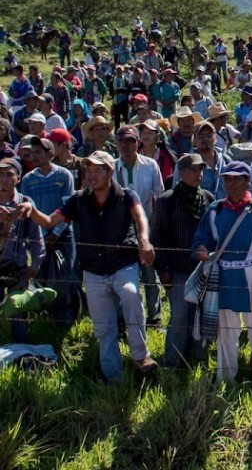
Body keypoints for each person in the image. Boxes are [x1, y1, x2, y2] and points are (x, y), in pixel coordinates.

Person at [20, 151, 158, 381]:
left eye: (97, 170)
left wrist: (144, 239)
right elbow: (49, 222)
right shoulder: (78, 199)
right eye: (88, 171)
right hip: (93, 269)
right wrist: (32, 211)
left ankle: (140, 355)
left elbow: (140, 216)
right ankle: (114, 379)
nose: (91, 176)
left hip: (122, 264)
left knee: (131, 295)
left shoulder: (126, 195)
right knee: (104, 328)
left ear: (109, 172)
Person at [192, 161, 252, 389]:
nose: (230, 183)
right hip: (222, 275)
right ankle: (226, 379)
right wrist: (202, 249)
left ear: (247, 181)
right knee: (226, 331)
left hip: (251, 273)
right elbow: (202, 238)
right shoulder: (216, 210)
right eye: (227, 179)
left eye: (236, 179)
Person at [151, 154, 213, 368]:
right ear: (182, 172)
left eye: (201, 170)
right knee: (178, 317)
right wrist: (163, 269)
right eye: (194, 170)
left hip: (203, 269)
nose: (199, 174)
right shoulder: (166, 200)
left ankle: (197, 358)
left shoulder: (207, 197)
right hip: (176, 268)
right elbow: (158, 237)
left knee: (200, 315)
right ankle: (171, 362)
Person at [20, 136, 78, 327]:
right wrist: (40, 236)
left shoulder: (63, 175)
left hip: (63, 234)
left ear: (50, 153)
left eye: (38, 151)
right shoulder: (28, 180)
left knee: (65, 277)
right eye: (31, 152)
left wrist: (56, 232)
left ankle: (67, 316)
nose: (34, 156)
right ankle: (47, 315)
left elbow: (68, 207)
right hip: (39, 237)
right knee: (41, 277)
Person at [113, 125, 165, 326]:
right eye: (122, 141)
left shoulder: (150, 165)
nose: (126, 145)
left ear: (138, 142)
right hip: (120, 229)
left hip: (147, 226)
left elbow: (159, 196)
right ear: (116, 144)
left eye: (131, 141)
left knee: (150, 273)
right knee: (121, 275)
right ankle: (124, 317)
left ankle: (154, 316)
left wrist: (157, 227)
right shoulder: (111, 167)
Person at [0, 158, 45, 343]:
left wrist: (34, 265)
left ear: (18, 178)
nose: (4, 179)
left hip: (16, 265)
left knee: (18, 312)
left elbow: (36, 238)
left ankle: (20, 351)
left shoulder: (25, 202)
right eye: (0, 175)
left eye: (9, 175)